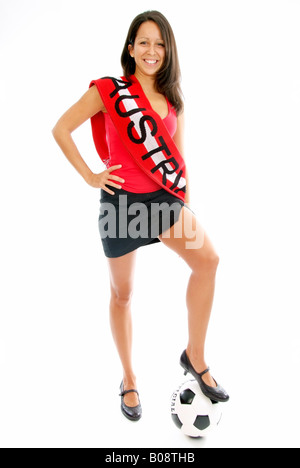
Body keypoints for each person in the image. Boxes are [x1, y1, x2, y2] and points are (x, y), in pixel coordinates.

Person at [52, 10, 229, 423]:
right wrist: (91, 176)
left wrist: (185, 200)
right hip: (121, 205)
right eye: (144, 42)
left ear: (168, 52)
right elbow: (61, 128)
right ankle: (129, 378)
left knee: (208, 260)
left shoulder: (173, 100)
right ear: (130, 49)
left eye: (160, 44)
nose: (152, 51)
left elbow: (179, 160)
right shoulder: (110, 90)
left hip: (163, 201)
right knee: (123, 294)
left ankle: (195, 355)